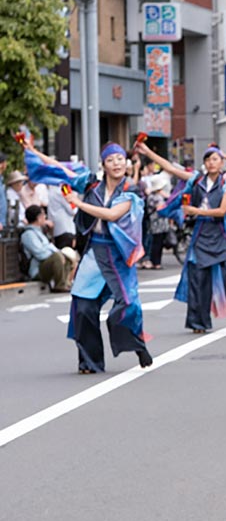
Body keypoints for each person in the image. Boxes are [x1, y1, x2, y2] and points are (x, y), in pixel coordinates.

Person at [43, 143, 152, 372]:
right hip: (95, 252)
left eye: (121, 159)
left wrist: (78, 203)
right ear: (103, 165)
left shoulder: (131, 190)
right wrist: (33, 151)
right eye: (111, 159)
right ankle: (89, 362)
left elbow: (112, 215)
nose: (117, 163)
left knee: (127, 307)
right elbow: (61, 170)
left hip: (119, 254)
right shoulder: (91, 183)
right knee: (82, 308)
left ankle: (136, 344)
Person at [140, 142, 226, 334]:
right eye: (208, 159)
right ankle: (198, 322)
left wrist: (195, 211)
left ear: (221, 162)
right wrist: (148, 151)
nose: (211, 162)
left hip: (221, 234)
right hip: (201, 234)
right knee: (198, 279)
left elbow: (223, 211)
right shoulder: (196, 180)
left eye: (215, 159)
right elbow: (171, 168)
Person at [19, 205, 77, 291]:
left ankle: (66, 283)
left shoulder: (40, 231)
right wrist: (56, 254)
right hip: (37, 269)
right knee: (57, 257)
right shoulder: (28, 235)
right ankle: (60, 285)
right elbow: (40, 254)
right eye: (43, 215)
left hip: (45, 264)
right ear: (38, 218)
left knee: (66, 256)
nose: (45, 217)